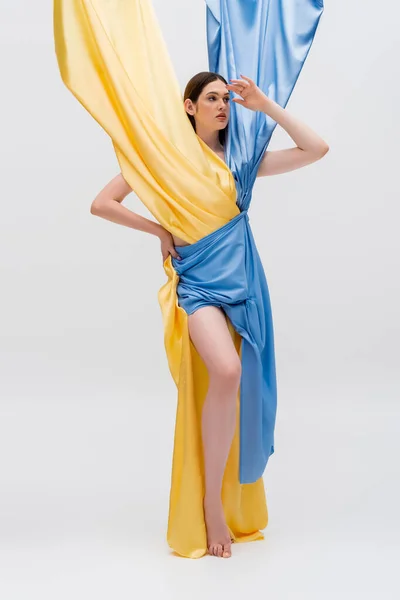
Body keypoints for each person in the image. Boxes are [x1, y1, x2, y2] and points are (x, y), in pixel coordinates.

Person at [90, 71, 329, 558]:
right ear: (189, 106)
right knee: (226, 370)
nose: (223, 106)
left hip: (242, 283)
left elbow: (316, 149)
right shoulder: (164, 161)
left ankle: (225, 496)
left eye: (227, 99)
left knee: (244, 382)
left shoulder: (240, 161)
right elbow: (102, 203)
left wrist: (266, 107)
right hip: (197, 284)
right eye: (212, 98)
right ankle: (211, 506)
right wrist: (159, 231)